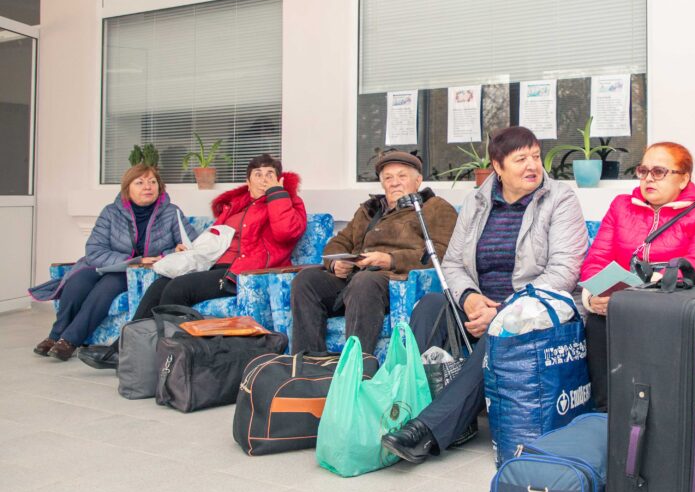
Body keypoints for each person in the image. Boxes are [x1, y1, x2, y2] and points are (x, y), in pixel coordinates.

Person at [381, 126, 588, 464]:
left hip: (534, 311)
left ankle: (427, 430)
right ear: (497, 166)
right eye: (520, 159)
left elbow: (563, 273)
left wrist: (503, 311)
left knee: (500, 332)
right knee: (431, 306)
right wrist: (469, 298)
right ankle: (396, 406)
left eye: (536, 156)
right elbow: (452, 263)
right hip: (482, 304)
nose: (532, 165)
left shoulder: (560, 199)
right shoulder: (477, 202)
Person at [78, 154, 307, 369]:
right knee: (160, 284)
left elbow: (286, 233)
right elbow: (213, 239)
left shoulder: (289, 203)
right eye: (258, 174)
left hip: (244, 274)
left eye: (270, 174)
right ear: (248, 182)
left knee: (179, 287)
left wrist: (277, 194)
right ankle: (122, 350)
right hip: (214, 266)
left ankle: (165, 357)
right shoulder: (237, 206)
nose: (264, 179)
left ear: (279, 179)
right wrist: (191, 250)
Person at [579, 142, 695, 410]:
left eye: (659, 172)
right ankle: (606, 414)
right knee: (599, 322)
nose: (648, 178)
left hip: (670, 304)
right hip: (619, 304)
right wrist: (593, 296)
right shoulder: (621, 206)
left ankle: (661, 416)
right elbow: (597, 258)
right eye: (643, 171)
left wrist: (645, 291)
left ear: (683, 178)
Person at [289, 151, 457, 367]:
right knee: (306, 280)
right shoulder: (369, 210)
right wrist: (336, 263)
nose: (394, 183)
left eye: (402, 176)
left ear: (418, 181)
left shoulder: (434, 207)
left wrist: (390, 259)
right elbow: (339, 242)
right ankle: (309, 365)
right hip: (354, 278)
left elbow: (442, 253)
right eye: (388, 178)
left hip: (393, 282)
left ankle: (356, 367)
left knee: (365, 282)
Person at [29, 164, 196, 361]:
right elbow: (94, 250)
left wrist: (171, 252)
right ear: (127, 188)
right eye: (140, 182)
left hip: (137, 272)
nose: (148, 187)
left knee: (106, 288)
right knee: (76, 283)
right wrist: (132, 259)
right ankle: (54, 336)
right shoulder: (111, 212)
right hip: (105, 265)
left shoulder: (171, 212)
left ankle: (70, 341)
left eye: (153, 182)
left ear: (160, 187)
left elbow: (192, 244)